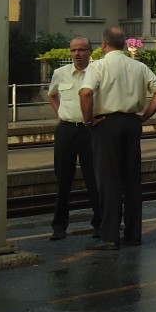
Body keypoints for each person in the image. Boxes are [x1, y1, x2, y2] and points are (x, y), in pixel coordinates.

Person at [79, 27, 156, 251]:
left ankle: (110, 236)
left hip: (106, 124)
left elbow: (86, 93)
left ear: (104, 44)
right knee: (131, 180)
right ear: (123, 44)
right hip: (131, 123)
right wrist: (145, 117)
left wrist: (88, 120)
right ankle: (133, 234)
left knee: (108, 181)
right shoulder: (138, 66)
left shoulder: (97, 66)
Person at [45, 36, 102, 241]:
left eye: (82, 49)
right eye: (73, 50)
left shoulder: (97, 72)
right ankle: (59, 226)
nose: (77, 54)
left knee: (94, 178)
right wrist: (59, 114)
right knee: (63, 179)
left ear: (90, 52)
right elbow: (52, 94)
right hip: (66, 130)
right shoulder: (60, 73)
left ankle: (99, 224)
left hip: (90, 130)